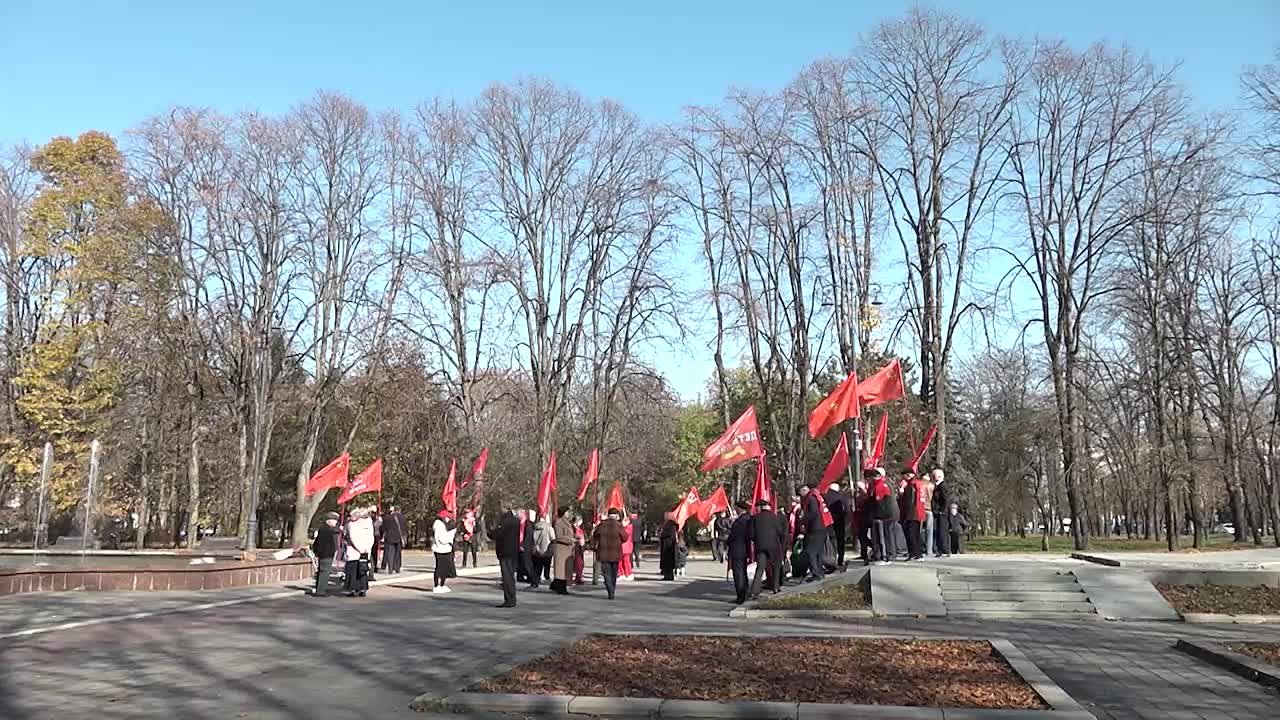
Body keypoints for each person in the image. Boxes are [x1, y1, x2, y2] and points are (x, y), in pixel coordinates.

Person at [749, 499, 786, 599]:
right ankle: (776, 586)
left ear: (760, 507)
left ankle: (755, 591)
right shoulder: (774, 517)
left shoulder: (755, 518)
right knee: (776, 566)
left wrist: (757, 540)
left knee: (760, 568)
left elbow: (751, 534)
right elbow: (780, 531)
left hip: (760, 546)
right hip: (774, 545)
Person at [592, 508, 627, 599]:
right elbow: (625, 538)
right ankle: (612, 590)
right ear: (616, 516)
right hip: (615, 553)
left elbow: (595, 535)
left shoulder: (602, 525)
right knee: (614, 573)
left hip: (604, 553)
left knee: (606, 573)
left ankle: (610, 590)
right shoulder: (618, 525)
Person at [490, 506, 521, 608]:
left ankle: (509, 599)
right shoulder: (516, 520)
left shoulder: (505, 521)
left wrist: (491, 531)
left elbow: (498, 534)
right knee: (510, 576)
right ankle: (512, 598)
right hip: (513, 551)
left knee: (507, 576)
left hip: (505, 551)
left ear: (504, 508)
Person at [799, 484, 832, 581]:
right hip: (821, 527)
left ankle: (815, 572)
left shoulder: (811, 499)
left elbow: (813, 513)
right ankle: (819, 572)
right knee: (819, 552)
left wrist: (803, 519)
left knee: (810, 551)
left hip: (816, 528)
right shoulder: (815, 496)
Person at [344, 507, 375, 597]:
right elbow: (371, 537)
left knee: (353, 571)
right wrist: (367, 549)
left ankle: (353, 589)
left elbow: (353, 537)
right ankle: (363, 588)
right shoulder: (369, 523)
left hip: (354, 551)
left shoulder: (352, 524)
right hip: (365, 550)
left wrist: (360, 549)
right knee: (362, 570)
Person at [726, 501, 752, 604]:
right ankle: (744, 593)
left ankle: (741, 596)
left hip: (738, 549)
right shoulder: (747, 519)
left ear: (740, 508)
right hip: (743, 549)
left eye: (736, 508)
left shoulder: (741, 521)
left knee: (739, 574)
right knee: (742, 572)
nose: (735, 510)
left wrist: (728, 540)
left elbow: (734, 535)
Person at [311, 512, 340, 596]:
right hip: (326, 554)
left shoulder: (323, 529)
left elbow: (316, 543)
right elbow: (329, 543)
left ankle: (319, 588)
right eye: (334, 520)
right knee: (325, 572)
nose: (336, 522)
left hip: (323, 553)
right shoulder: (328, 530)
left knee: (322, 571)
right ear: (329, 521)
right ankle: (320, 590)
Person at [900, 469, 926, 561]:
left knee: (911, 535)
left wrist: (902, 491)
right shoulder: (918, 484)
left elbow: (909, 501)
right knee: (916, 534)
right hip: (918, 512)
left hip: (911, 514)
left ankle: (914, 553)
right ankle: (917, 553)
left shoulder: (910, 485)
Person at [871, 469, 895, 565]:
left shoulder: (879, 486)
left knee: (881, 536)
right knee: (886, 535)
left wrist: (877, 515)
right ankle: (887, 555)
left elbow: (879, 502)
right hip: (887, 514)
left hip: (881, 515)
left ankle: (883, 556)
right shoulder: (885, 485)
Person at [431, 510, 457, 593]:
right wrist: (451, 535)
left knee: (445, 568)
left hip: (446, 549)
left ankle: (442, 585)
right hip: (440, 549)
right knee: (439, 568)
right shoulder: (438, 525)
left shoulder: (443, 525)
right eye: (447, 517)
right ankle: (436, 586)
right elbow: (442, 539)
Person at [551, 506, 575, 595]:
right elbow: (559, 536)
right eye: (568, 512)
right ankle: (561, 588)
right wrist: (571, 540)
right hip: (561, 548)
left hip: (567, 549)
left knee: (565, 569)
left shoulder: (568, 523)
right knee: (561, 570)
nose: (569, 514)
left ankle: (555, 585)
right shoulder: (559, 523)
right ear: (564, 513)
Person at [824, 483, 849, 569]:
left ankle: (832, 558)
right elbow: (847, 509)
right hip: (839, 521)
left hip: (829, 522)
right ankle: (840, 559)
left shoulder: (825, 497)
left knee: (831, 540)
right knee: (840, 540)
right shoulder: (842, 496)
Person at [931, 468, 952, 557]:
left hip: (942, 512)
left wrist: (942, 510)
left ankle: (945, 550)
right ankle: (940, 549)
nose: (932, 477)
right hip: (939, 511)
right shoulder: (938, 486)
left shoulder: (942, 486)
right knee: (939, 531)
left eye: (934, 475)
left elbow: (945, 499)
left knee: (942, 531)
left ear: (939, 476)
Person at [530, 510, 554, 587]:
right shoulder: (549, 528)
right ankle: (547, 577)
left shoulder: (534, 527)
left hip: (536, 551)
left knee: (537, 567)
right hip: (546, 551)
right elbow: (553, 539)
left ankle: (535, 582)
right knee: (546, 566)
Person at [381, 504, 406, 574]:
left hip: (389, 537)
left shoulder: (387, 517)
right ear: (399, 510)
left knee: (390, 553)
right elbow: (404, 528)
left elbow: (383, 528)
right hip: (399, 537)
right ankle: (397, 568)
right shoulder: (403, 517)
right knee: (398, 553)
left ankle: (390, 568)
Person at [659, 512, 679, 580]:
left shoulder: (671, 524)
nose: (664, 517)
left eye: (665, 516)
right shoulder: (669, 524)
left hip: (668, 546)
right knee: (667, 562)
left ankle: (669, 576)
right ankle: (667, 575)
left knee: (668, 562)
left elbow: (669, 533)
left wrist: (662, 534)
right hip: (668, 545)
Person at [921, 472, 937, 557]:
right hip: (929, 509)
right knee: (929, 531)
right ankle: (929, 550)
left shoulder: (919, 485)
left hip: (921, 509)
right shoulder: (932, 486)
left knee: (919, 530)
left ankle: (920, 548)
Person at [518, 509, 535, 585]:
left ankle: (533, 579)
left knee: (527, 563)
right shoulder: (518, 523)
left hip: (526, 547)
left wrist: (523, 545)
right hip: (518, 546)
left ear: (523, 514)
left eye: (519, 514)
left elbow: (528, 536)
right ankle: (520, 576)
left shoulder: (528, 524)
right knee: (520, 563)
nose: (518, 516)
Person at [619, 514, 635, 582]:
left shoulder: (629, 527)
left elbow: (625, 534)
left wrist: (623, 526)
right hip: (621, 547)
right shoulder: (622, 527)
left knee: (626, 561)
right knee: (620, 562)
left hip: (626, 547)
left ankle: (629, 573)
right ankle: (622, 574)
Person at [572, 515, 586, 585]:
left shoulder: (578, 528)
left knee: (580, 563)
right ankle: (577, 578)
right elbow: (573, 536)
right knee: (578, 563)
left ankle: (578, 577)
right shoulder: (573, 528)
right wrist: (579, 538)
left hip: (580, 546)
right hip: (576, 546)